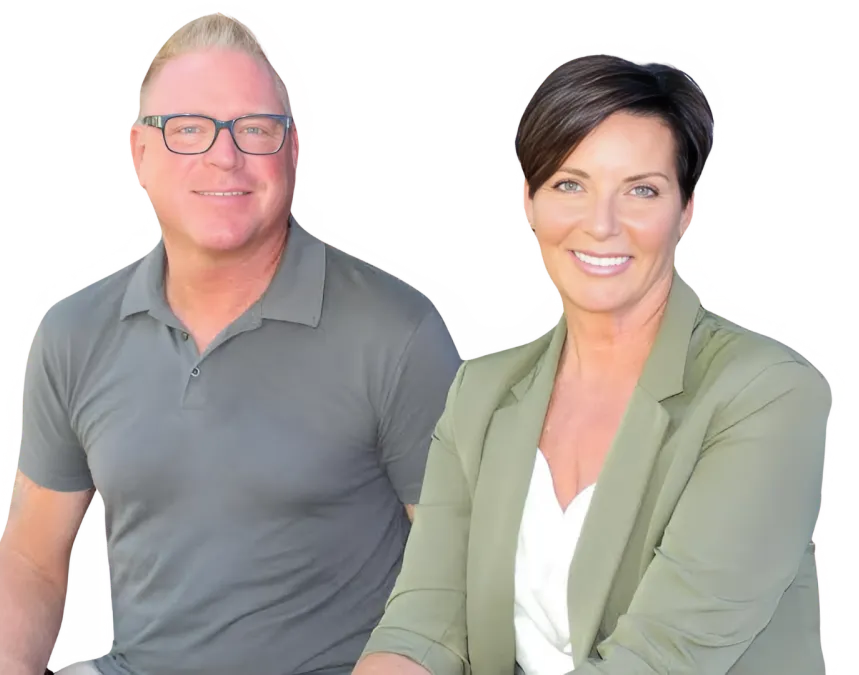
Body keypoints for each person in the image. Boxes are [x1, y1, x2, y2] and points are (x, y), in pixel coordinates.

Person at [0, 11, 462, 675]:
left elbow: (459, 579)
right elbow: (32, 557)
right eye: (188, 129)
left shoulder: (396, 333)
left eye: (254, 129)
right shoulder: (73, 332)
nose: (224, 155)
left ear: (294, 151)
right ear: (139, 153)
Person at [355, 52, 833, 675]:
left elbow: (662, 659)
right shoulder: (481, 391)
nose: (601, 224)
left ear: (687, 212)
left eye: (641, 190)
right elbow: (424, 626)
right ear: (529, 205)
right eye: (569, 185)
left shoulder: (767, 393)